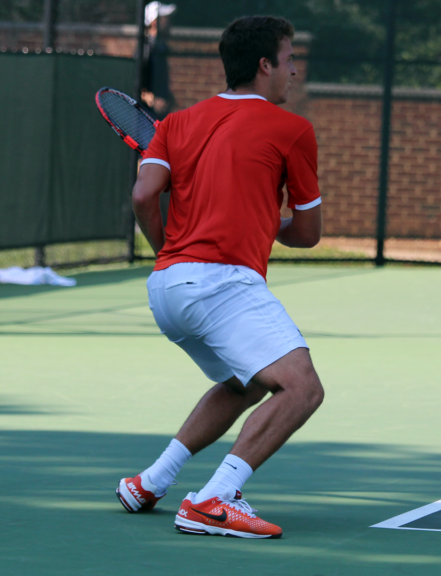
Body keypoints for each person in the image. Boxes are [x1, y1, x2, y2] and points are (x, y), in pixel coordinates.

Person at [115, 15, 324, 539]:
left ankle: (150, 482)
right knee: (301, 389)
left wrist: (169, 251)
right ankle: (213, 499)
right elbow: (307, 233)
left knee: (243, 382)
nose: (294, 71)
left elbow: (143, 196)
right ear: (264, 65)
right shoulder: (293, 130)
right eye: (290, 59)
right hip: (223, 285)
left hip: (167, 288)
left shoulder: (175, 124)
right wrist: (271, 222)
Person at [141, 2, 177, 118]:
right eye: (165, 19)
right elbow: (136, 82)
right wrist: (152, 100)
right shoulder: (144, 49)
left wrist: (168, 98)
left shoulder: (161, 47)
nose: (169, 22)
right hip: (146, 115)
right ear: (154, 22)